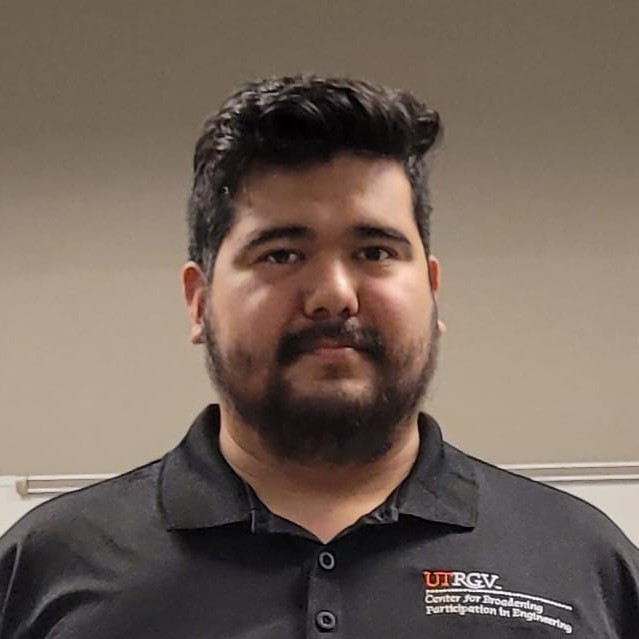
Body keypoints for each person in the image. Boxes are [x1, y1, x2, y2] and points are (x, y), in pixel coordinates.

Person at [0, 75, 637, 638]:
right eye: (281, 254)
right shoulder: (47, 568)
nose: (333, 294)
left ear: (432, 289)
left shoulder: (583, 562)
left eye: (375, 252)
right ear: (199, 302)